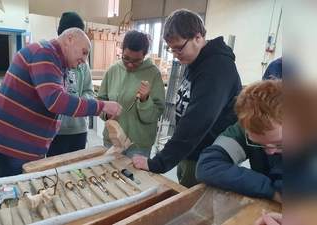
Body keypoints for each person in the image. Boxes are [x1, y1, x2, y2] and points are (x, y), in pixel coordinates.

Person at [0, 28, 122, 178]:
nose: (85, 60)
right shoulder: (44, 54)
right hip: (9, 146)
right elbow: (56, 101)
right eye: (84, 52)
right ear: (69, 39)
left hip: (23, 145)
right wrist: (102, 106)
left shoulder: (57, 63)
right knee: (9, 195)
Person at [132, 8, 242, 188]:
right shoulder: (194, 61)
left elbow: (197, 120)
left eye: (179, 48)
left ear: (197, 37)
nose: (175, 54)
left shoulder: (216, 68)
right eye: (171, 49)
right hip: (191, 151)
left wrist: (158, 162)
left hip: (207, 157)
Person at [195, 79, 282, 203]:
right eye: (259, 143)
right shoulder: (249, 124)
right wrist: (269, 189)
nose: (269, 152)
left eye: (280, 144)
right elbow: (208, 165)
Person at [97, 30, 165, 158]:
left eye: (136, 61)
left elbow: (155, 113)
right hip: (112, 141)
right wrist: (106, 114)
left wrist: (145, 100)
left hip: (138, 146)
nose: (129, 64)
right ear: (122, 51)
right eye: (126, 58)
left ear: (144, 56)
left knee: (134, 178)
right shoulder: (112, 71)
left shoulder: (153, 74)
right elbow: (101, 101)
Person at [46, 12, 96, 157]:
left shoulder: (83, 65)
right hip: (55, 129)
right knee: (53, 170)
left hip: (78, 128)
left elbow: (90, 92)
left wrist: (78, 103)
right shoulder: (50, 60)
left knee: (76, 169)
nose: (83, 58)